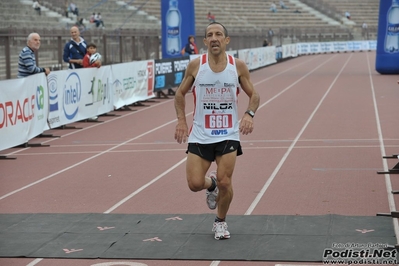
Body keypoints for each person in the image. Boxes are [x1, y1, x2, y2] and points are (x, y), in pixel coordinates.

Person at [174, 22, 260, 240]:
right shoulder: (196, 65)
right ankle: (209, 184)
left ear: (226, 40)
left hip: (228, 133)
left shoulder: (237, 66)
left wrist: (249, 115)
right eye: (210, 35)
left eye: (218, 34)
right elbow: (179, 94)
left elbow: (254, 95)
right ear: (205, 41)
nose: (214, 38)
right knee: (194, 184)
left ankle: (220, 222)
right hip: (201, 133)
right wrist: (181, 122)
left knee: (225, 180)